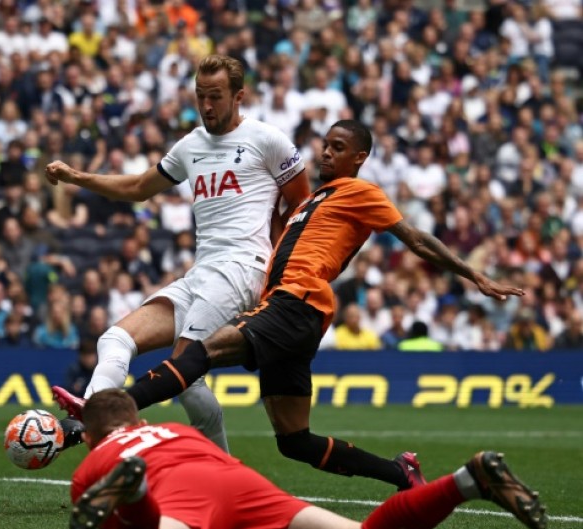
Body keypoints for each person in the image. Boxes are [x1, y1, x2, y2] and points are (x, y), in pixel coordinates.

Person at [71, 120, 526, 491]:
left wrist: (474, 275)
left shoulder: (361, 193)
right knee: (294, 441)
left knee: (200, 354)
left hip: (297, 301)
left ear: (359, 158)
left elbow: (416, 239)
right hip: (294, 311)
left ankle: (106, 412)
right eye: (325, 145)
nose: (326, 153)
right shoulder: (312, 200)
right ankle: (400, 473)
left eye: (338, 146)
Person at [48, 54, 311, 452]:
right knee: (116, 339)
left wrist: (280, 271)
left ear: (238, 96)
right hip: (203, 271)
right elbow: (138, 187)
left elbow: (301, 209)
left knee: (182, 367)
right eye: (200, 96)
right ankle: (95, 410)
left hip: (243, 268)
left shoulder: (268, 140)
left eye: (216, 96)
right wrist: (76, 177)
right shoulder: (191, 145)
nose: (206, 106)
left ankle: (105, 415)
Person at [70, 389, 545, 529]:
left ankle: (135, 491)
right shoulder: (173, 428)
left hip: (169, 494)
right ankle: (468, 480)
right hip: (234, 479)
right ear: (135, 416)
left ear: (91, 437)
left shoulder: (92, 463)